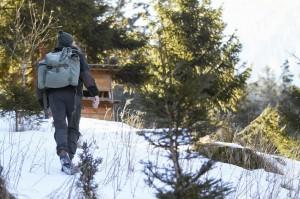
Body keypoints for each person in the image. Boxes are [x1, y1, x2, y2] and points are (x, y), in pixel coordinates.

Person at [37, 31, 100, 174]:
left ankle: (63, 153)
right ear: (70, 43)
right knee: (73, 127)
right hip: (73, 95)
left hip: (54, 96)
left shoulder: (49, 58)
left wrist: (43, 104)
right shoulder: (76, 55)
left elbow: (40, 85)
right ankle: (69, 159)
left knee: (60, 126)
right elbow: (86, 76)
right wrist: (95, 93)